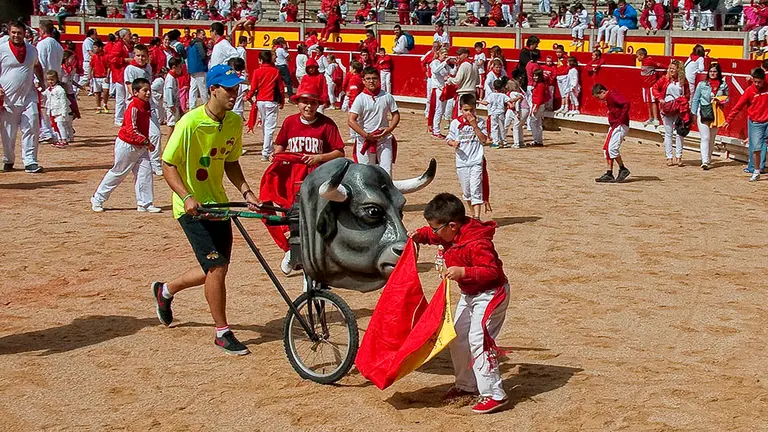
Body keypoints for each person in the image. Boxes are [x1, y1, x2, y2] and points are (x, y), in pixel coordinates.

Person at [152, 64, 258, 356]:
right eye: (228, 89)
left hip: (219, 204)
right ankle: (222, 332)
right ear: (213, 89)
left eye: (236, 89)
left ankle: (165, 290)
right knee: (217, 267)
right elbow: (168, 163)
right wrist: (186, 196)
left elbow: (230, 161)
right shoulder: (189, 123)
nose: (234, 94)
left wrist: (247, 192)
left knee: (213, 269)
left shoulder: (234, 122)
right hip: (191, 208)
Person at [408, 193, 510, 414]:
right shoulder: (450, 233)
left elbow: (491, 272)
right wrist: (418, 235)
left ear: (452, 225)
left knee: (478, 339)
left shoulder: (477, 242)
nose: (434, 233)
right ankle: (466, 386)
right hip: (471, 294)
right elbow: (433, 236)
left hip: (491, 294)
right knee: (458, 336)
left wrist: (464, 271)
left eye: (436, 228)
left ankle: (495, 393)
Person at [268, 86, 346, 273]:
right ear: (297, 104)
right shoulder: (289, 122)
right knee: (292, 216)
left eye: (313, 102)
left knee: (316, 218)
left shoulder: (327, 124)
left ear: (318, 104)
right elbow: (280, 144)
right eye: (305, 102)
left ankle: (318, 257)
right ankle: (291, 252)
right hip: (292, 179)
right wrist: (277, 156)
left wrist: (319, 158)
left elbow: (339, 152)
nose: (309, 106)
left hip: (318, 178)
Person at [90, 78, 159, 213]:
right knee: (118, 173)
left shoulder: (146, 105)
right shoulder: (133, 106)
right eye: (144, 91)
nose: (148, 93)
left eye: (149, 90)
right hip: (127, 144)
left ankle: (145, 203)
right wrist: (146, 142)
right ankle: (98, 198)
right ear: (135, 92)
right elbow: (131, 130)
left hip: (140, 145)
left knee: (145, 172)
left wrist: (144, 142)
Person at [0, 21, 45, 173]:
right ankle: (8, 159)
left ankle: (30, 160)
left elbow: (37, 66)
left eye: (19, 32)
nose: (16, 35)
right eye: (13, 32)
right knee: (8, 132)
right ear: (9, 33)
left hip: (28, 95)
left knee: (32, 125)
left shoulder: (32, 50)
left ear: (24, 33)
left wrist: (43, 81)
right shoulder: (1, 49)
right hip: (8, 98)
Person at [348, 66, 400, 176]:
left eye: (374, 78)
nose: (371, 81)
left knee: (387, 172)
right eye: (368, 78)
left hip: (383, 138)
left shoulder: (387, 96)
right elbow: (351, 120)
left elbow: (396, 114)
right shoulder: (360, 98)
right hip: (365, 140)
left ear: (379, 79)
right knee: (366, 173)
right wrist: (366, 135)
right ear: (363, 81)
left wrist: (389, 129)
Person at [723, 68, 768, 182]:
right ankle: (756, 170)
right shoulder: (749, 91)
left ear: (764, 80)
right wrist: (729, 120)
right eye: (755, 82)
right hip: (756, 123)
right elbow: (738, 106)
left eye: (759, 82)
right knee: (756, 148)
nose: (757, 84)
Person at [124, 43, 163, 175]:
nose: (140, 58)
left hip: (149, 106)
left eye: (143, 56)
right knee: (135, 134)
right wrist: (137, 100)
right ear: (134, 56)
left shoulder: (148, 67)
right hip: (137, 106)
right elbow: (130, 87)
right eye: (138, 55)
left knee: (156, 134)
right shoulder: (130, 69)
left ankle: (156, 163)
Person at [247, 49, 285, 162]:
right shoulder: (275, 71)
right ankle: (265, 152)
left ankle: (267, 149)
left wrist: (248, 96)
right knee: (269, 128)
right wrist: (282, 101)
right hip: (271, 101)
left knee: (265, 126)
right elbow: (281, 89)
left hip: (260, 101)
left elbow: (253, 88)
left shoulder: (257, 72)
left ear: (261, 60)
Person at [691, 63, 729, 170]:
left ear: (718, 73)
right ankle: (705, 161)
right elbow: (695, 99)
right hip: (703, 111)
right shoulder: (702, 84)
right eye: (711, 71)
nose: (712, 73)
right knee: (705, 137)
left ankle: (708, 158)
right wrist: (693, 113)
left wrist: (721, 100)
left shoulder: (723, 85)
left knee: (712, 138)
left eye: (715, 71)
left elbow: (727, 98)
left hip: (716, 112)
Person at [652, 59, 688, 167]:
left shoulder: (683, 81)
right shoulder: (664, 79)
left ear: (679, 70)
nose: (671, 70)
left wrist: (683, 101)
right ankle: (669, 157)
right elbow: (654, 89)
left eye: (673, 68)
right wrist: (660, 99)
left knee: (679, 133)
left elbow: (687, 94)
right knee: (668, 133)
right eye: (670, 68)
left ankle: (678, 157)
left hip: (679, 108)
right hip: (666, 108)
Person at [592, 84, 631, 183]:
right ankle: (609, 173)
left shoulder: (612, 95)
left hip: (619, 125)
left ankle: (623, 169)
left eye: (598, 97)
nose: (599, 100)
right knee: (607, 149)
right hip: (615, 125)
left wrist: (621, 119)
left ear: (602, 92)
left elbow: (626, 103)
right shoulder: (610, 97)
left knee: (612, 148)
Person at [36, 20, 63, 145]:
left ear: (42, 30)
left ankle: (47, 132)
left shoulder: (42, 44)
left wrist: (39, 80)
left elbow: (40, 64)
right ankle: (55, 131)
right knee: (54, 107)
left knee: (45, 107)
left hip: (46, 79)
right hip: (56, 78)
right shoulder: (58, 45)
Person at [447, 47, 480, 119]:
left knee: (461, 116)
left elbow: (457, 80)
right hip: (472, 93)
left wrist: (449, 79)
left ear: (465, 54)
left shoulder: (464, 65)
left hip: (463, 93)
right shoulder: (474, 65)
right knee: (472, 115)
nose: (458, 56)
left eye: (460, 54)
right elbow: (478, 81)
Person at [42, 70, 72, 149]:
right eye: (48, 80)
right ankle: (59, 139)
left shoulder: (59, 89)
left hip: (60, 111)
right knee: (55, 126)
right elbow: (43, 94)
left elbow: (63, 101)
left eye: (52, 79)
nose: (50, 81)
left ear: (56, 79)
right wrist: (37, 88)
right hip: (53, 110)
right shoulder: (49, 89)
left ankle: (64, 140)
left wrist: (64, 112)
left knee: (60, 125)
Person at [109, 29, 133, 126]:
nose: (131, 36)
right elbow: (113, 59)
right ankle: (118, 119)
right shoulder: (119, 45)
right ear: (123, 36)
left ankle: (126, 117)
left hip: (127, 73)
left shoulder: (129, 45)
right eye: (129, 34)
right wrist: (126, 60)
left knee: (128, 96)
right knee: (120, 98)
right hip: (120, 74)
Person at [480, 79, 512, 149]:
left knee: (494, 128)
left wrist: (479, 101)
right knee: (502, 128)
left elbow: (486, 103)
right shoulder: (503, 95)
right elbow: (509, 101)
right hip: (501, 113)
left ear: (494, 87)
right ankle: (504, 142)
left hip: (494, 113)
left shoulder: (491, 95)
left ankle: (496, 142)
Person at [428, 48, 451, 138]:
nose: (446, 56)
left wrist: (456, 65)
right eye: (444, 54)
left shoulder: (444, 64)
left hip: (443, 88)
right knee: (439, 110)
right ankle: (436, 130)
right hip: (438, 89)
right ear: (440, 54)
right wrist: (445, 63)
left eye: (446, 54)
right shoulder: (435, 62)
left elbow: (451, 72)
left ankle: (436, 129)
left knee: (441, 110)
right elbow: (435, 71)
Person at [637, 48, 662, 127]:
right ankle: (650, 117)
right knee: (648, 102)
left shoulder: (648, 61)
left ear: (642, 55)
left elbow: (658, 65)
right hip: (645, 86)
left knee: (653, 102)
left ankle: (655, 118)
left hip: (651, 86)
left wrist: (668, 67)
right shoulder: (645, 61)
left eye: (638, 56)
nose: (637, 58)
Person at [188, 29, 209, 110]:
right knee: (203, 87)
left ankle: (192, 106)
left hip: (192, 68)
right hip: (200, 67)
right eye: (203, 34)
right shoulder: (199, 43)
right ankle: (206, 105)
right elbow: (203, 55)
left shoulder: (191, 44)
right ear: (198, 35)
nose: (204, 36)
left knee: (193, 88)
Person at [505, 79, 529, 149]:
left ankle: (516, 143)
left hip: (522, 109)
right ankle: (521, 142)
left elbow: (517, 103)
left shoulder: (512, 93)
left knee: (516, 126)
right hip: (526, 109)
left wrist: (518, 112)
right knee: (519, 126)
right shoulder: (519, 93)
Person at [529, 69, 549, 147]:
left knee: (533, 122)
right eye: (534, 75)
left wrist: (536, 107)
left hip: (537, 104)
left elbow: (540, 98)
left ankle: (536, 140)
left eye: (536, 75)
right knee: (538, 123)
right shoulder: (539, 84)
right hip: (539, 104)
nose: (535, 77)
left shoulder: (540, 85)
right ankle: (538, 140)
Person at [89, 40, 110, 113]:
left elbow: (108, 67)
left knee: (106, 91)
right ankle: (98, 106)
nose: (94, 49)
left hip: (104, 76)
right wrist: (89, 74)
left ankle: (105, 104)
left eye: (95, 47)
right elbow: (91, 66)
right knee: (97, 92)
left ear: (100, 48)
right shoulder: (94, 57)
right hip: (96, 77)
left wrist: (107, 76)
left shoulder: (106, 56)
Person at [164, 57, 183, 133]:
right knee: (171, 124)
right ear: (174, 67)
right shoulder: (170, 78)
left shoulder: (173, 78)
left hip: (175, 104)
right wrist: (171, 105)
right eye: (180, 67)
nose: (181, 69)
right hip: (171, 105)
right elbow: (169, 91)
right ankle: (168, 143)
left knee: (175, 123)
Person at [79, 28, 98, 94]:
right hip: (88, 62)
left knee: (93, 76)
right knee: (86, 78)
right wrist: (98, 58)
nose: (97, 35)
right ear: (91, 34)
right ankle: (75, 88)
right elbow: (90, 52)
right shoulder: (87, 41)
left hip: (91, 61)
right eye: (95, 34)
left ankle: (93, 91)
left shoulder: (91, 41)